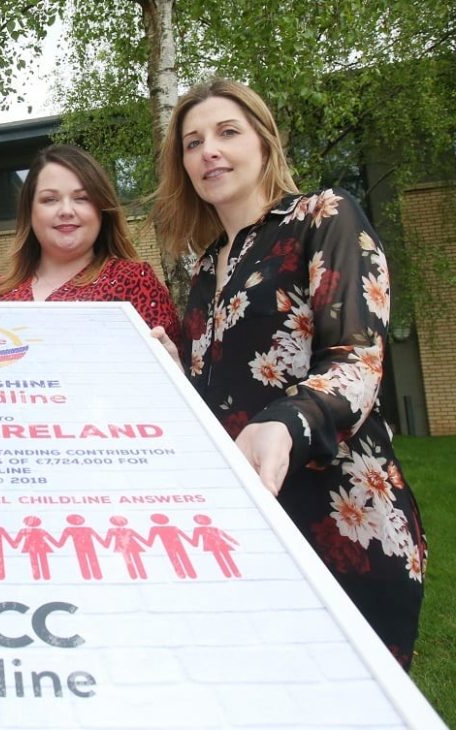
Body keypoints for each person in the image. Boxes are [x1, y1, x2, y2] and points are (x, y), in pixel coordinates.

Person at [150, 78, 427, 668]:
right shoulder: (203, 268)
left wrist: (289, 423)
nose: (209, 152)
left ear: (264, 142)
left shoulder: (324, 216)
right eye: (193, 143)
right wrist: (176, 376)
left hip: (345, 517)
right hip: (245, 532)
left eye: (227, 133)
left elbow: (359, 359)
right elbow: (220, 405)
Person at [0, 144, 181, 340]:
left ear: (101, 209)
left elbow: (171, 369)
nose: (66, 211)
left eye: (81, 198)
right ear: (30, 212)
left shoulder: (134, 281)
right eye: (50, 199)